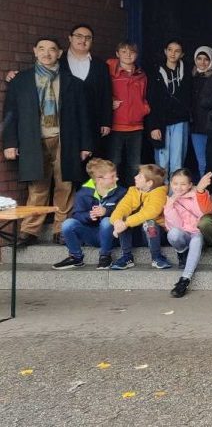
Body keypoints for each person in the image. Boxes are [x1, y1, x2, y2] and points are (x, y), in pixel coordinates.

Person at [4, 37, 94, 246]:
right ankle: (30, 230)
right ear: (35, 51)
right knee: (37, 186)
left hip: (65, 139)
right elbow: (10, 113)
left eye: (52, 50)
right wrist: (10, 143)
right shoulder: (21, 80)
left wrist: (86, 145)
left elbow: (84, 116)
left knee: (65, 185)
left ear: (59, 53)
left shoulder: (72, 82)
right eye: (42, 49)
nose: (47, 53)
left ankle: (62, 229)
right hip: (33, 140)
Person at [52, 158, 125, 269]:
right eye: (112, 176)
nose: (117, 178)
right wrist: (88, 216)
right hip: (92, 234)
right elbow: (76, 215)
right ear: (99, 179)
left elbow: (127, 212)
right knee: (68, 223)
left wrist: (107, 212)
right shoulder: (83, 193)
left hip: (113, 235)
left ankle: (105, 256)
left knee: (106, 221)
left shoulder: (122, 192)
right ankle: (76, 257)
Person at [107, 163, 170, 271]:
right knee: (122, 218)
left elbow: (150, 213)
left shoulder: (159, 193)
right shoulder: (133, 191)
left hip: (156, 236)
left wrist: (126, 223)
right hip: (137, 235)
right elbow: (122, 207)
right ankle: (126, 257)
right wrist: (117, 221)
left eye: (140, 176)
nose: (135, 177)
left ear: (149, 183)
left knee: (150, 222)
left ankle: (157, 257)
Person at [106, 41, 150, 185]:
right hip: (116, 125)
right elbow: (100, 92)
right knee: (114, 163)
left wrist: (144, 108)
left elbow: (145, 96)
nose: (128, 55)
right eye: (124, 52)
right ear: (117, 54)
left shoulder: (141, 75)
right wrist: (108, 101)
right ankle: (112, 195)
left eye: (131, 52)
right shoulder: (109, 71)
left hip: (136, 126)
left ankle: (133, 195)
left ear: (136, 55)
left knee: (134, 165)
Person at [146, 40, 192, 177]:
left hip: (180, 120)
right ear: (165, 51)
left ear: (182, 54)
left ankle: (175, 194)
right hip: (161, 121)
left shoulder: (187, 72)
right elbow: (151, 101)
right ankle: (161, 194)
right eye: (170, 50)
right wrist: (153, 126)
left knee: (178, 160)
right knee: (162, 161)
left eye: (177, 51)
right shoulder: (156, 72)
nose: (173, 53)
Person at [63, 24, 113, 143]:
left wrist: (106, 122)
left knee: (92, 158)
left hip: (93, 122)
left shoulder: (101, 66)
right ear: (70, 38)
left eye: (88, 37)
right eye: (79, 36)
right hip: (65, 121)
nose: (83, 40)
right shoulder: (58, 62)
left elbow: (106, 95)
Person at [163, 168, 204, 298]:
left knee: (196, 239)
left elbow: (202, 216)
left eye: (183, 184)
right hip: (184, 234)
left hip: (199, 232)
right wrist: (170, 205)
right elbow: (176, 226)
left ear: (190, 185)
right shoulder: (170, 200)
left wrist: (196, 194)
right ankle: (182, 252)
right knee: (173, 233)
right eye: (175, 184)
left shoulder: (199, 194)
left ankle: (185, 279)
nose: (179, 187)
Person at [190, 46, 212, 175]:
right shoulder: (189, 77)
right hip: (196, 126)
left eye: (206, 59)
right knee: (202, 162)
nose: (202, 62)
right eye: (199, 58)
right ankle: (204, 193)